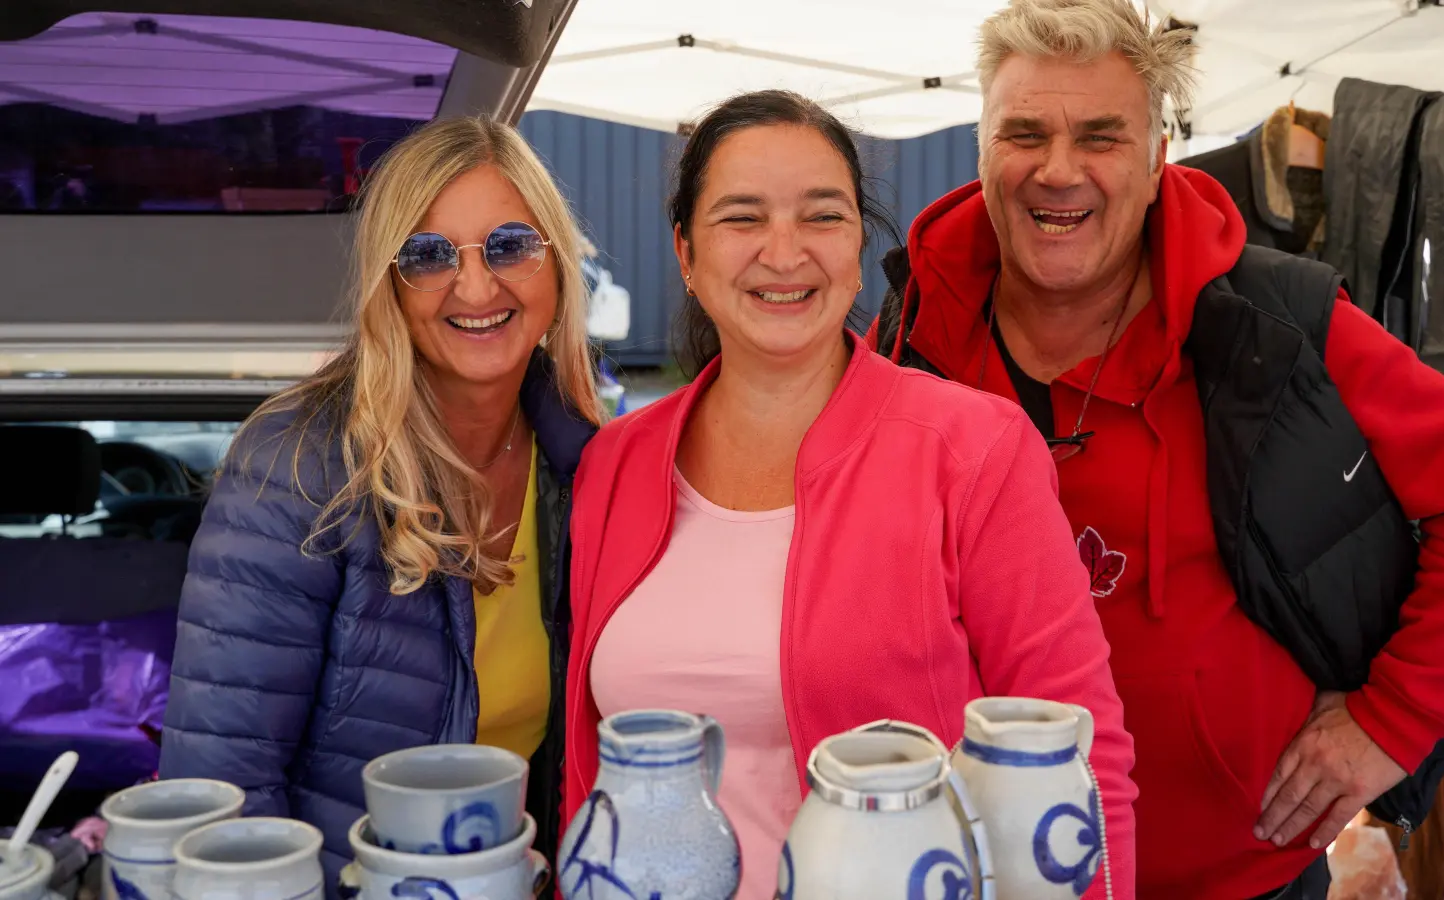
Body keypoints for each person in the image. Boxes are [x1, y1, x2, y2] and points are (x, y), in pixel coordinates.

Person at [869, 1, 1444, 898]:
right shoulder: (912, 329)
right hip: (980, 865)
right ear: (983, 150)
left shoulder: (1275, 325)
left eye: (1102, 137)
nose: (1058, 170)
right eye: (1023, 132)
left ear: (1157, 160)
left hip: (1236, 875)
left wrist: (1393, 721)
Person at [562, 90, 1136, 899]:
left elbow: (1078, 756)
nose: (785, 251)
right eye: (742, 217)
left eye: (822, 215)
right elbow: (588, 772)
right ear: (686, 254)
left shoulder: (973, 452)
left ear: (859, 245)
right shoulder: (613, 465)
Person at [159, 116, 603, 891]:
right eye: (428, 256)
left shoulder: (588, 463)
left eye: (510, 245)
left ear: (558, 263)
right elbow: (220, 800)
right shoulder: (297, 465)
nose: (476, 286)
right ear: (389, 283)